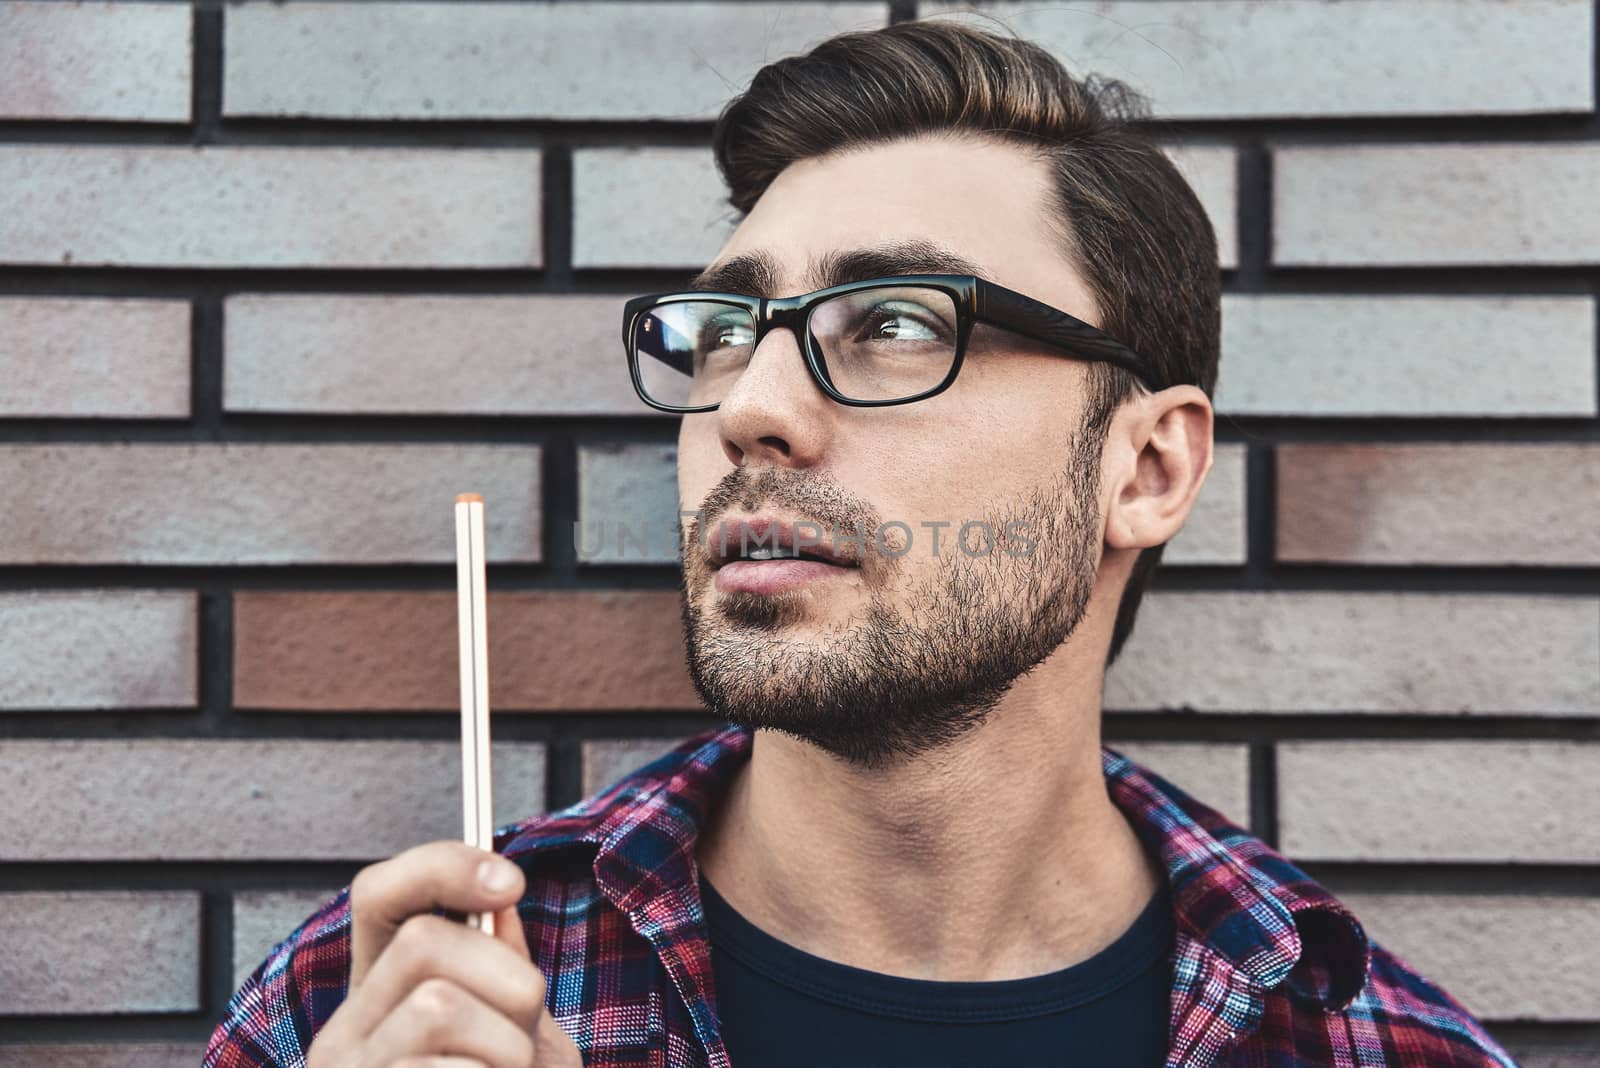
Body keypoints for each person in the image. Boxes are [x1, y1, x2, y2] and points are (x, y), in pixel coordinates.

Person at [204, 19, 1519, 1068]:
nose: (751, 410)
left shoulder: (1366, 1040)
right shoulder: (402, 1000)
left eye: (891, 324)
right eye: (722, 333)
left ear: (1148, 465)